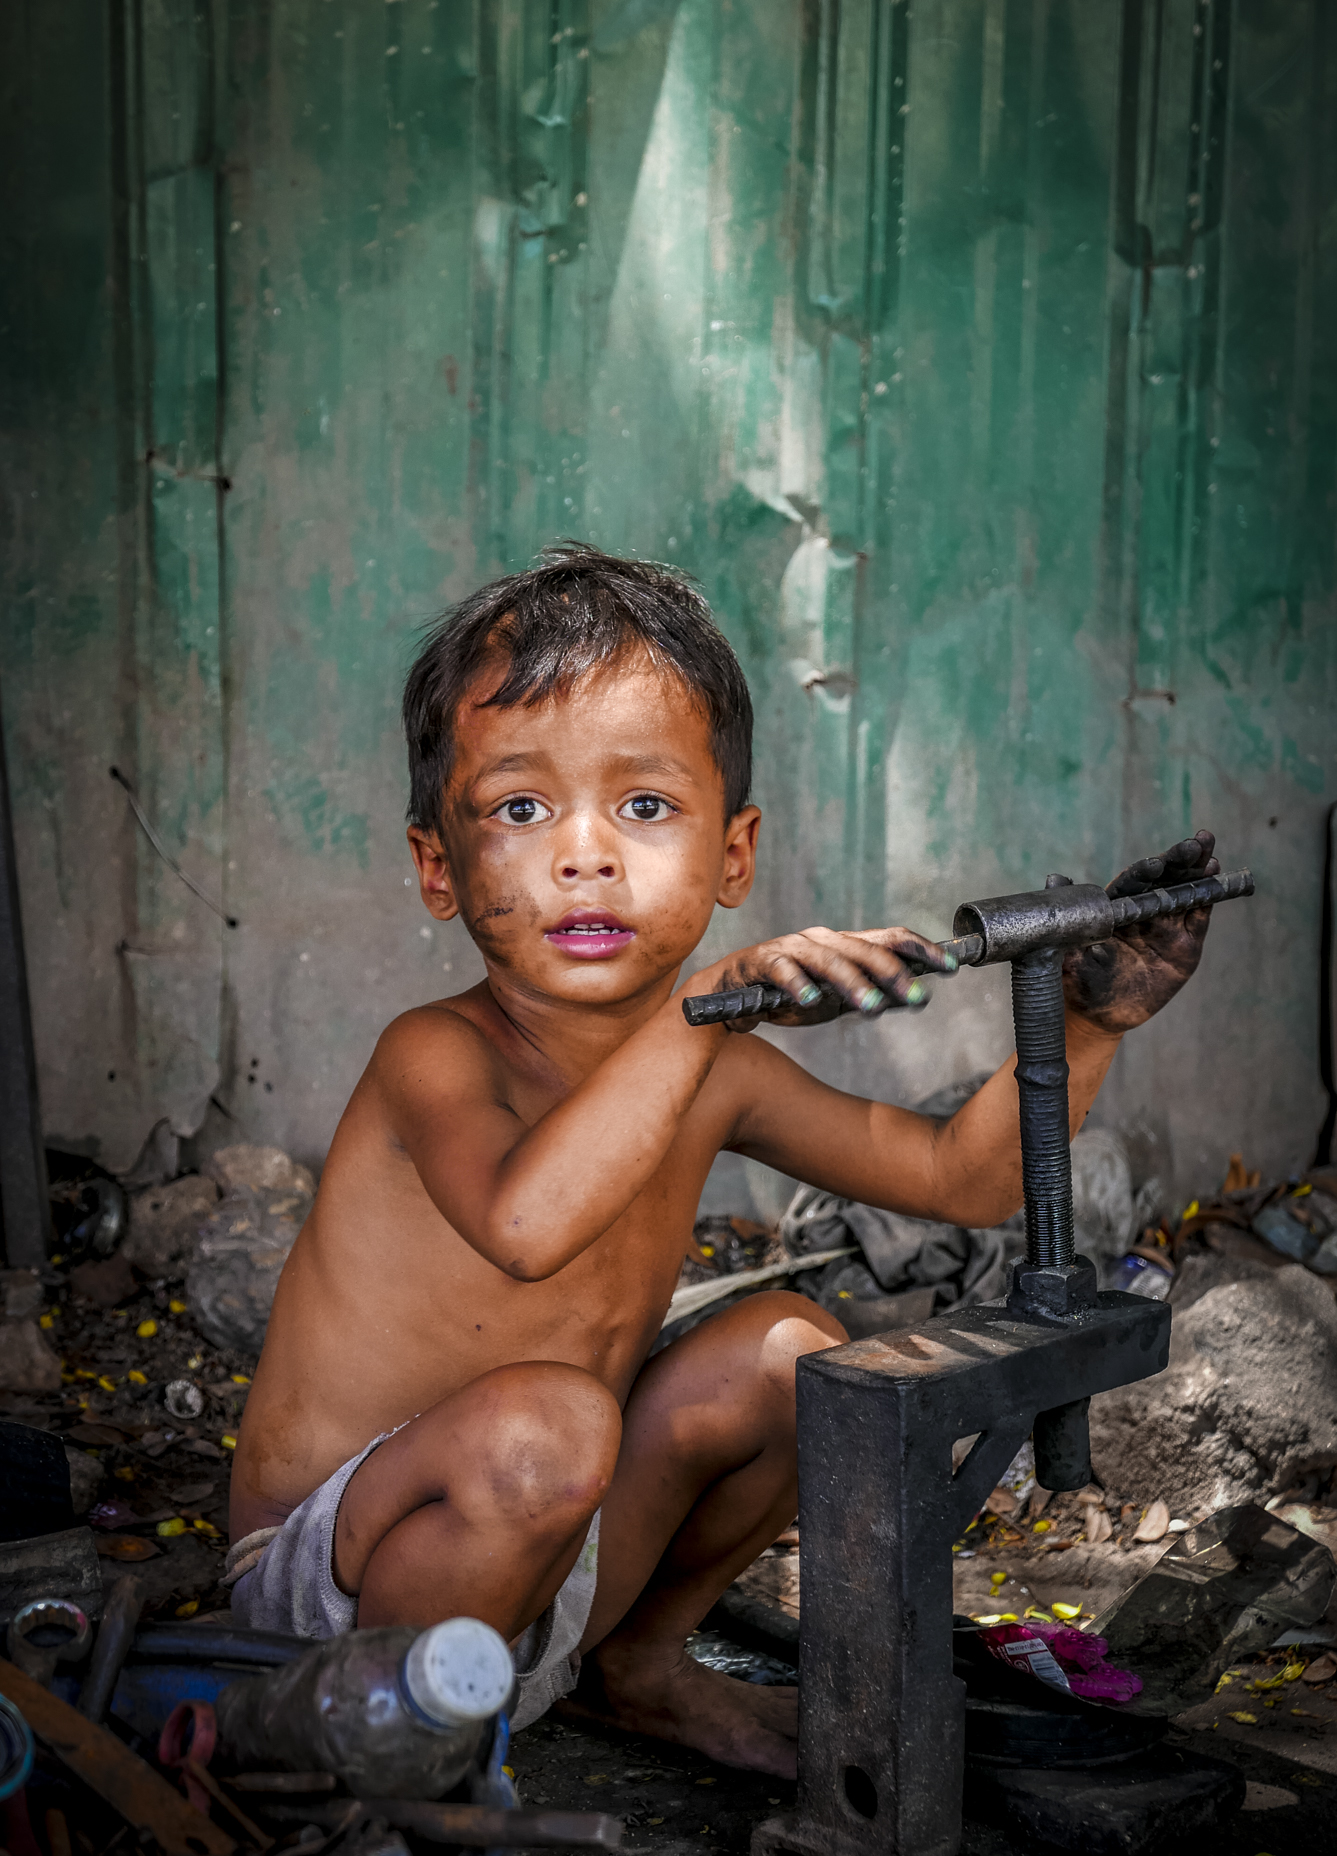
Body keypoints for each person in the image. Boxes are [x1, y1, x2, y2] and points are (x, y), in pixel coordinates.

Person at [228, 543, 1217, 1789]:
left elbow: (960, 1184)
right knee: (548, 1425)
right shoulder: (437, 1055)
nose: (583, 855)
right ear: (439, 865)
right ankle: (376, 1777)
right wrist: (705, 1008)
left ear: (733, 854)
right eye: (520, 808)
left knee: (789, 1354)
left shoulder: (717, 1067)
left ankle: (633, 1669)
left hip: (552, 1552)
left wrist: (1088, 1019)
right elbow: (525, 1224)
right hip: (329, 1595)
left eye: (642, 806)